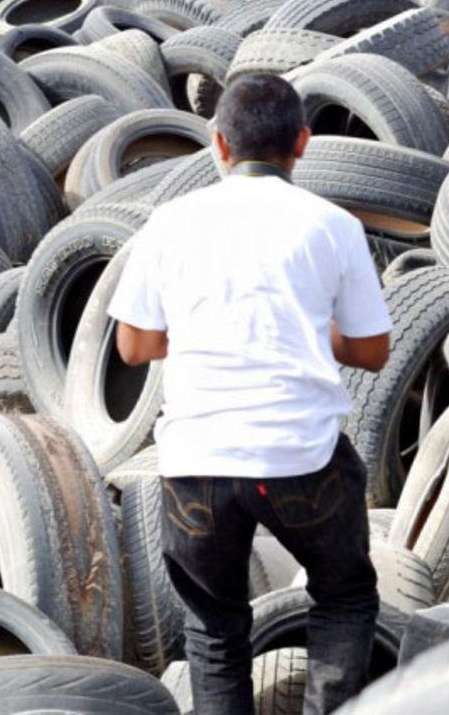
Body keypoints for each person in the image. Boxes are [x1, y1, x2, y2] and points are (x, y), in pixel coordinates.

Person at [107, 73, 392, 715]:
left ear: (219, 145)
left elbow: (134, 347)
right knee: (343, 596)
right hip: (302, 461)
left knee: (215, 631)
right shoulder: (333, 225)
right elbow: (373, 353)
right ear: (303, 143)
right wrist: (315, 336)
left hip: (197, 465)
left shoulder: (169, 223)